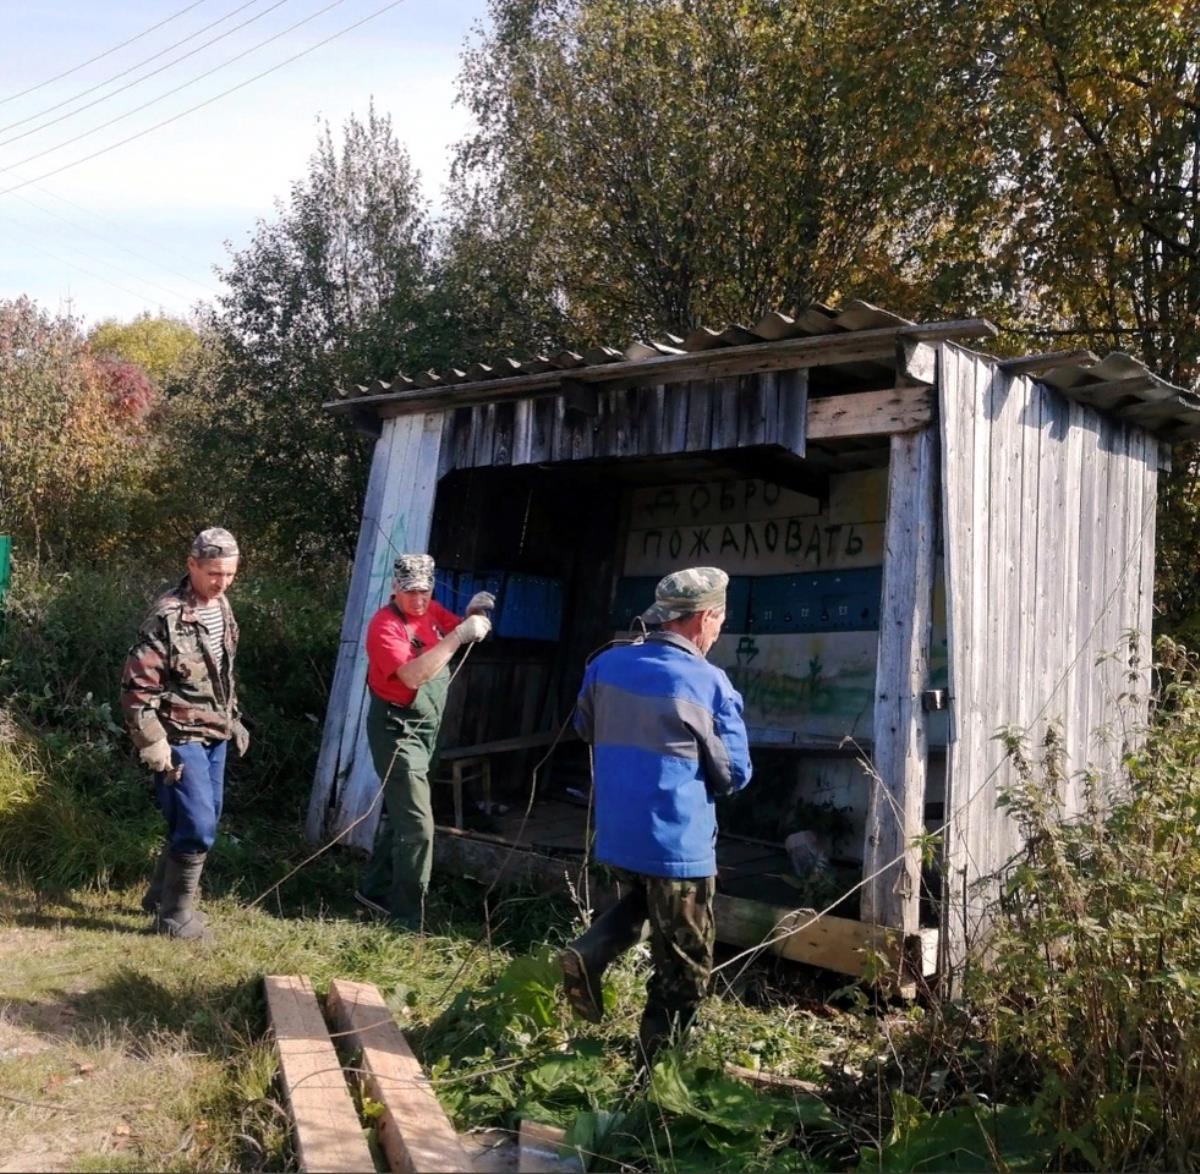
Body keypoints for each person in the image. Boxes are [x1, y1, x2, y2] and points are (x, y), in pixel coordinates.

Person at [561, 566, 752, 1063]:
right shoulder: (709, 683)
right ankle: (657, 1072)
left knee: (650, 903)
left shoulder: (605, 665)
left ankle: (592, 950)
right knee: (686, 966)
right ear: (705, 618)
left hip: (618, 835)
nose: (717, 632)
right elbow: (734, 775)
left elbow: (585, 726)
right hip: (677, 842)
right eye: (719, 622)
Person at [121, 527, 249, 941]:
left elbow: (222, 675)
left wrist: (234, 718)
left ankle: (159, 896)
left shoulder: (223, 607)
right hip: (178, 735)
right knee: (197, 825)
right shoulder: (167, 617)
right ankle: (175, 917)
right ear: (191, 564)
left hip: (216, 734)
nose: (222, 582)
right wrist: (152, 741)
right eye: (213, 573)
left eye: (229, 574)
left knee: (201, 816)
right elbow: (137, 687)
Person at [355, 554, 493, 930]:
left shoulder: (431, 611)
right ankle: (406, 919)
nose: (419, 599)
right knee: (418, 826)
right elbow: (414, 675)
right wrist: (459, 636)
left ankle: (374, 890)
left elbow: (459, 627)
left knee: (404, 812)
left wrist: (475, 614)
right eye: (411, 591)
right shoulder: (384, 626)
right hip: (395, 730)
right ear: (395, 589)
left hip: (427, 728)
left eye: (425, 590)